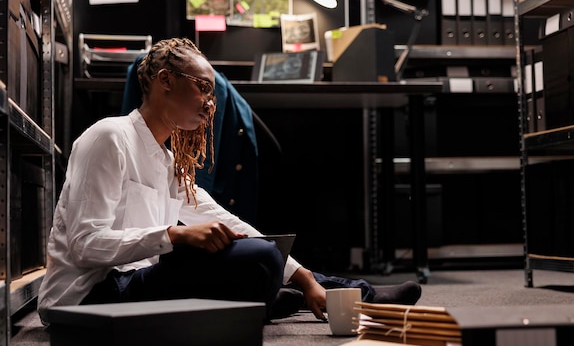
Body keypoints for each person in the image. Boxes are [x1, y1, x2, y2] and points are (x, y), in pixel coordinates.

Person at [37, 37, 420, 326]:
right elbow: (86, 245)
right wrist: (175, 236)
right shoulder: (109, 137)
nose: (210, 102)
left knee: (257, 253)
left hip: (136, 284)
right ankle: (289, 297)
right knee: (257, 260)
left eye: (213, 93)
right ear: (165, 80)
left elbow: (229, 221)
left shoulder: (166, 159)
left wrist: (303, 277)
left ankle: (323, 293)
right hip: (87, 298)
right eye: (203, 88)